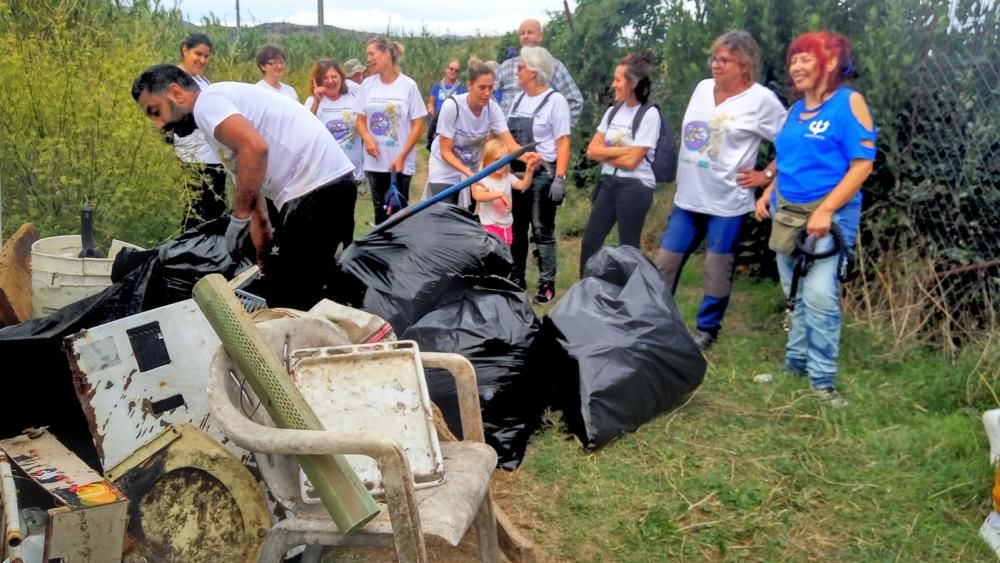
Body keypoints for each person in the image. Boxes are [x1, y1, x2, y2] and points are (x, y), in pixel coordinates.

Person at [131, 64, 359, 311]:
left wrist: (237, 218)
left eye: (156, 112)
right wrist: (262, 263)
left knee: (292, 303)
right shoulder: (218, 118)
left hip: (316, 188)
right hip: (324, 186)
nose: (158, 124)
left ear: (176, 93)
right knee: (293, 290)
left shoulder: (207, 103)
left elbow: (255, 148)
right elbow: (256, 207)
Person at [754, 31, 876, 407]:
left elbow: (862, 164)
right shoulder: (794, 112)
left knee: (821, 295)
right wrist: (768, 193)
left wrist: (825, 210)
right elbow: (789, 161)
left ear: (832, 61)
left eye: (806, 58)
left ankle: (822, 381)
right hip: (787, 213)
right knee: (795, 294)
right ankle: (795, 366)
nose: (796, 66)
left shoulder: (848, 103)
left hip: (829, 216)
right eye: (793, 60)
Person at [654, 30, 787, 350]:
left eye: (724, 60)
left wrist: (766, 174)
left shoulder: (760, 100)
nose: (715, 65)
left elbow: (791, 142)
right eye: (714, 58)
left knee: (717, 268)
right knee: (665, 262)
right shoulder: (701, 89)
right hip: (688, 197)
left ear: (744, 64)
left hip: (727, 202)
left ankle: (707, 330)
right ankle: (654, 321)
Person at [580, 51, 662, 274]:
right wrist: (624, 150)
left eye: (618, 79)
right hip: (609, 183)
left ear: (633, 83)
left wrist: (609, 152)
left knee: (629, 248)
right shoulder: (612, 112)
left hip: (635, 187)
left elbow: (632, 162)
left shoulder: (649, 115)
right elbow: (591, 151)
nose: (613, 84)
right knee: (590, 243)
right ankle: (584, 294)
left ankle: (632, 298)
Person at [506, 46, 571, 303]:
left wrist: (560, 178)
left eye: (521, 67)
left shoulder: (555, 101)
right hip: (517, 171)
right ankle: (516, 277)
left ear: (534, 71)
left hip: (543, 173)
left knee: (542, 229)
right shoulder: (518, 99)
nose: (517, 71)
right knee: (517, 229)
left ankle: (547, 283)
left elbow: (563, 141)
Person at [425, 57, 534, 204]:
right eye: (482, 87)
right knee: (445, 211)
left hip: (472, 169)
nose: (487, 93)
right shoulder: (452, 106)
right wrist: (471, 175)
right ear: (469, 85)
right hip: (445, 167)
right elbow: (445, 152)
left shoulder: (492, 109)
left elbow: (510, 145)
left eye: (490, 88)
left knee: (466, 217)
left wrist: (527, 158)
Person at [356, 36, 427, 225]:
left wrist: (402, 156)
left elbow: (418, 124)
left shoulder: (408, 86)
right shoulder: (367, 85)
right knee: (380, 215)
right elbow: (360, 119)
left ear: (386, 54)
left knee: (399, 216)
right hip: (375, 163)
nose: (368, 59)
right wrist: (367, 138)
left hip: (399, 164)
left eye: (372, 54)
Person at [173, 33, 228, 229]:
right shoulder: (175, 79)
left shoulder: (203, 80)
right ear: (185, 50)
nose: (202, 60)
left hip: (214, 157)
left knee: (216, 217)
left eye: (206, 56)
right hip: (193, 160)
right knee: (194, 218)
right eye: (198, 54)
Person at [495, 19, 583, 125]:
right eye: (522, 33)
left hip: (541, 136)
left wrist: (560, 128)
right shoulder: (506, 66)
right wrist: (497, 121)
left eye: (530, 32)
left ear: (540, 36)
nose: (525, 36)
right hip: (507, 136)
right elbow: (486, 91)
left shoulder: (553, 65)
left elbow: (574, 100)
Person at [303, 59, 364, 185]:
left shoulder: (353, 97)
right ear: (318, 81)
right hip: (324, 172)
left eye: (334, 76)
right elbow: (305, 130)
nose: (330, 81)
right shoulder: (312, 101)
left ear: (341, 78)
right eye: (325, 77)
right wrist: (317, 102)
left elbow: (363, 126)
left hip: (352, 171)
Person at [472, 139, 537, 245]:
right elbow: (478, 196)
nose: (500, 164)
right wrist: (500, 194)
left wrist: (529, 170)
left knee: (505, 256)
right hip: (489, 225)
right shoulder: (483, 179)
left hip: (506, 225)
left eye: (504, 160)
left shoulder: (507, 177)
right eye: (496, 159)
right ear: (487, 160)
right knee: (493, 257)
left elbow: (523, 185)